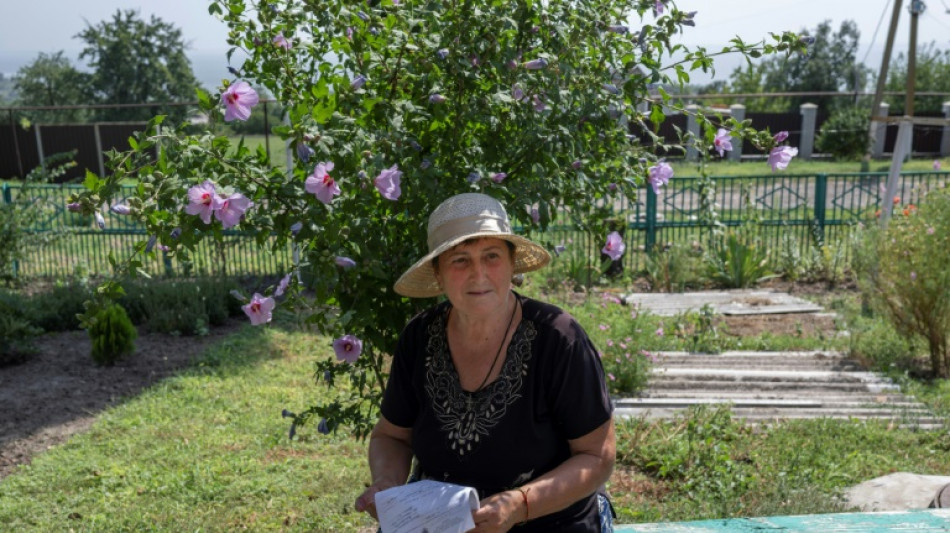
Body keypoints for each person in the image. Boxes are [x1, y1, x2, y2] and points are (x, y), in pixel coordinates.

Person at [355, 193, 616, 532]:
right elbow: (391, 436)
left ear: (512, 265)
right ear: (438, 273)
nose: (478, 274)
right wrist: (387, 484)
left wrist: (519, 504)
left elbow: (597, 457)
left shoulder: (558, 339)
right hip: (439, 522)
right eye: (460, 260)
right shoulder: (419, 337)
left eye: (491, 256)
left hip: (550, 521)